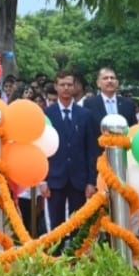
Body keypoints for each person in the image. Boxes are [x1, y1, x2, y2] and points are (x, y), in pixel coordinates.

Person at [41, 69, 98, 238]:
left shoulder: (85, 115)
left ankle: (76, 260)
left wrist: (91, 181)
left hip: (79, 179)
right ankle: (56, 260)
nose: (66, 88)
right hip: (55, 177)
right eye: (62, 85)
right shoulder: (47, 114)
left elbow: (91, 150)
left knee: (78, 223)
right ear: (56, 87)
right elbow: (42, 149)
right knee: (56, 224)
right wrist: (42, 180)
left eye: (69, 84)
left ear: (75, 87)